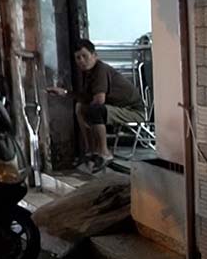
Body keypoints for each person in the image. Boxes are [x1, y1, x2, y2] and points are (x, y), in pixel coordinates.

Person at [47, 39, 145, 172]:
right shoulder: (88, 73)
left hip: (133, 111)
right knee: (80, 107)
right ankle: (91, 151)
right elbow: (86, 98)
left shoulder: (100, 69)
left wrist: (88, 112)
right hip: (116, 108)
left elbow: (99, 100)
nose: (81, 61)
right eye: (78, 58)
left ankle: (104, 153)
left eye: (85, 56)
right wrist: (64, 92)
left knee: (95, 110)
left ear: (94, 56)